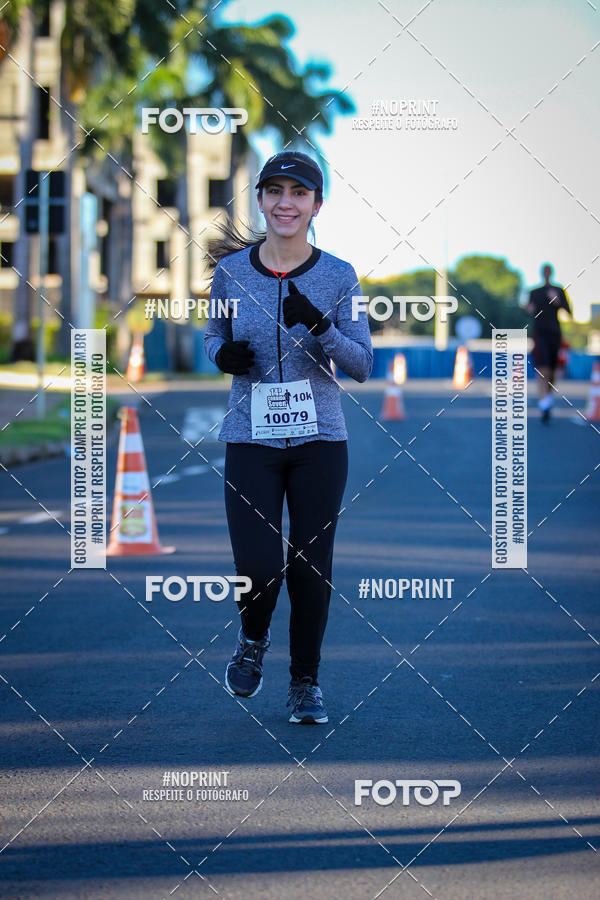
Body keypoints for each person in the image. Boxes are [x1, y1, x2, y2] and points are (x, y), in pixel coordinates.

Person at [204, 150, 373, 723]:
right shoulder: (232, 273)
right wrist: (221, 354)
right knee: (258, 564)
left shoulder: (338, 275)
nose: (285, 202)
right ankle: (253, 638)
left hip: (319, 442)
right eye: (275, 191)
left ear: (316, 205)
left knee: (309, 566)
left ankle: (306, 683)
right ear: (261, 200)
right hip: (250, 437)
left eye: (298, 193)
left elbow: (362, 365)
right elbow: (212, 334)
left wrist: (321, 325)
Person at [526, 264, 572, 423]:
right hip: (539, 334)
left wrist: (557, 301)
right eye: (544, 271)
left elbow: (568, 311)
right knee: (542, 368)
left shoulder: (558, 290)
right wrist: (528, 308)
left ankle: (548, 398)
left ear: (551, 273)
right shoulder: (534, 292)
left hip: (555, 334)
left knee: (552, 371)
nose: (546, 273)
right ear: (541, 273)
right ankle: (543, 403)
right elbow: (528, 310)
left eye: (548, 271)